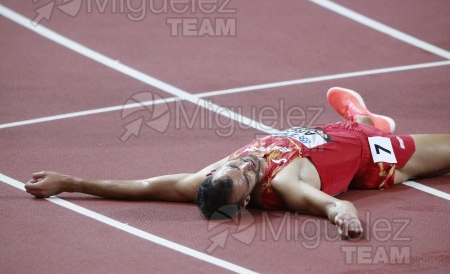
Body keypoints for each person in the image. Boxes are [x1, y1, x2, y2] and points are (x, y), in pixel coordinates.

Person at [25, 87, 450, 239]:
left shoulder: (211, 178)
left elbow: (140, 186)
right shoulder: (285, 184)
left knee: (359, 124)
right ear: (248, 200)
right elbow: (335, 206)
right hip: (374, 157)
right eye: (248, 175)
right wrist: (347, 220)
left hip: (331, 134)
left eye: (236, 166)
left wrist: (68, 180)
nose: (248, 163)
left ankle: (361, 118)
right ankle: (367, 122)